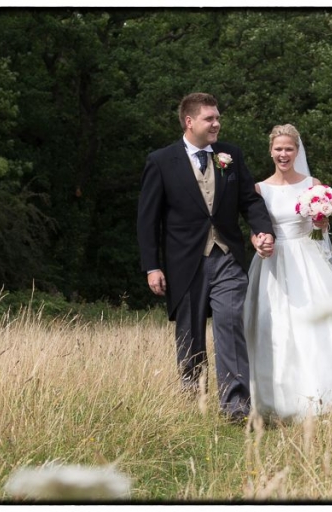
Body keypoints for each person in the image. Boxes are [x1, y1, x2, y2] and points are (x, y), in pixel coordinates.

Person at [137, 93, 275, 423]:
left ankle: (236, 407)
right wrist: (152, 265)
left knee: (231, 321)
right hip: (184, 261)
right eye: (209, 119)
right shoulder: (161, 161)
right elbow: (147, 218)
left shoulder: (231, 155)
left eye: (217, 118)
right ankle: (192, 403)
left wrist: (261, 229)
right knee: (191, 333)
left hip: (226, 255)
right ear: (189, 122)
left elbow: (250, 201)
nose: (216, 123)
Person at [243, 124, 332, 423]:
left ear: (297, 151)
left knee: (315, 326)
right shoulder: (260, 189)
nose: (283, 154)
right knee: (273, 326)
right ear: (271, 151)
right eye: (278, 149)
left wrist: (321, 223)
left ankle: (324, 395)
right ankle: (274, 399)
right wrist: (258, 241)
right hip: (273, 262)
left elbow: (322, 230)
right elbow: (256, 228)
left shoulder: (312, 185)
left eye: (289, 148)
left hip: (308, 260)